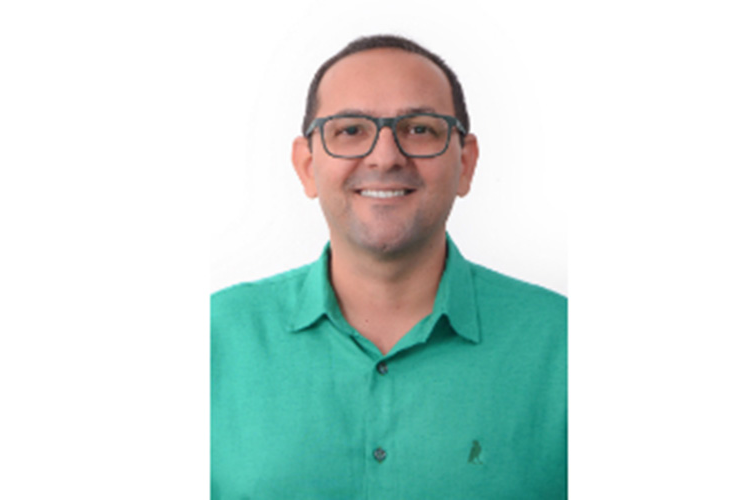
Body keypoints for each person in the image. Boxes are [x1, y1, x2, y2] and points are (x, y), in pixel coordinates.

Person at [211, 34, 567, 499]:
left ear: (465, 163)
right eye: (350, 130)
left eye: (419, 129)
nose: (385, 157)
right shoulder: (214, 338)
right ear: (307, 165)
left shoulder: (564, 345)